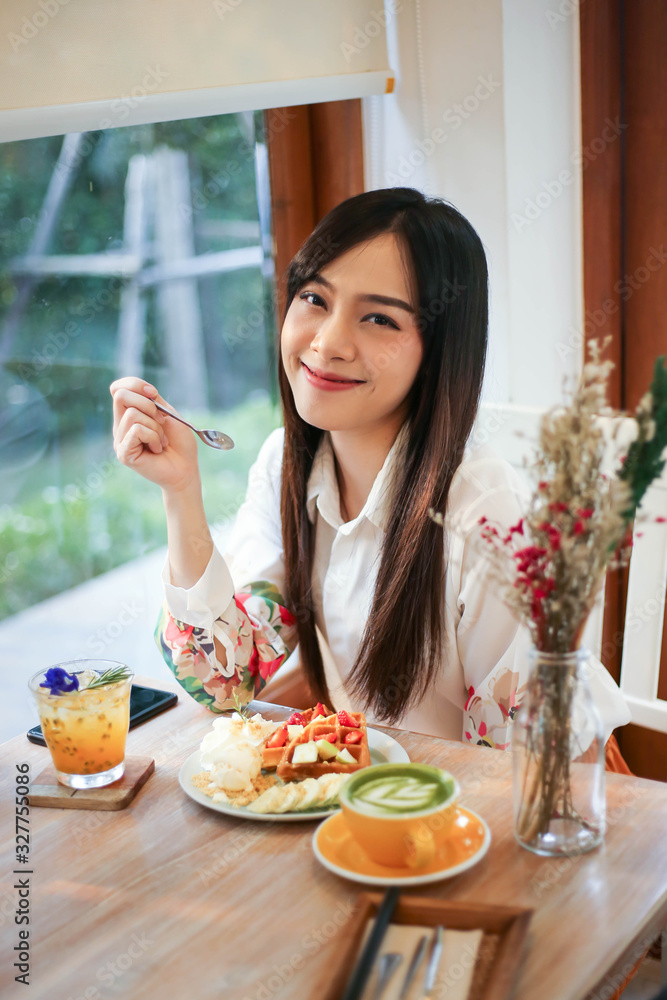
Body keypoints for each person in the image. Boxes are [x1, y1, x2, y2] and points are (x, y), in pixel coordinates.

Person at [110, 187, 629, 747]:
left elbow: (527, 761)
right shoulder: (286, 461)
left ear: (439, 348)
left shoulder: (482, 507)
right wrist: (181, 490)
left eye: (379, 318)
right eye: (315, 298)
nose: (328, 343)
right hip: (356, 801)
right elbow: (225, 677)